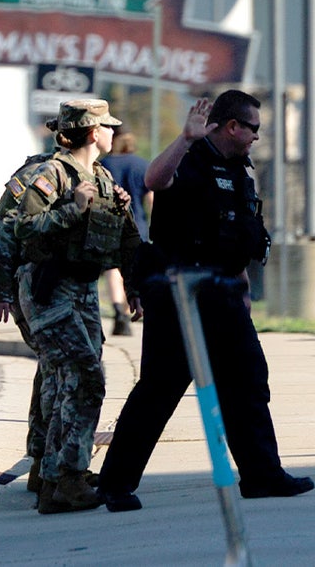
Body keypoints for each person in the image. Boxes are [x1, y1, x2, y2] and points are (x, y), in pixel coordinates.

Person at [98, 90, 314, 512]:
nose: (256, 136)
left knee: (248, 381)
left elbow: (237, 233)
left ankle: (261, 475)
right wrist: (184, 138)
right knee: (160, 388)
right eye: (253, 128)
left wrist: (243, 289)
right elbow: (154, 181)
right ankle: (115, 485)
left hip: (226, 294)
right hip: (181, 292)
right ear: (232, 126)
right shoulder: (192, 156)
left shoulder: (238, 170)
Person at [13, 99, 143, 514]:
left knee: (74, 383)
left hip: (85, 290)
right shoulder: (51, 174)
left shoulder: (102, 177)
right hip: (50, 291)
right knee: (85, 379)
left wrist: (135, 286)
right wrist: (72, 208)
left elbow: (125, 236)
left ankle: (57, 478)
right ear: (92, 132)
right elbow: (22, 227)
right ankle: (64, 477)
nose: (113, 132)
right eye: (107, 126)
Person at [0, 126, 57, 496]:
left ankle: (51, 464)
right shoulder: (38, 174)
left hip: (71, 289)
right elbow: (4, 231)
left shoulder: (91, 173)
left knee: (60, 371)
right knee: (62, 371)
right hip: (39, 287)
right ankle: (48, 464)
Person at [101, 128, 153, 336]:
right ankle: (132, 308)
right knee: (132, 270)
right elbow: (151, 200)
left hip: (109, 225)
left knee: (113, 269)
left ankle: (119, 312)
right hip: (136, 226)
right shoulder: (142, 165)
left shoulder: (105, 165)